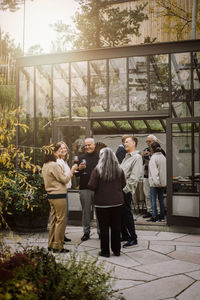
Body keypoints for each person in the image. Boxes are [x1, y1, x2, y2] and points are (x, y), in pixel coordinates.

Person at [88, 148, 126, 257]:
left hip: (102, 203)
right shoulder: (119, 169)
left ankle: (105, 251)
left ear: (102, 157)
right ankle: (117, 250)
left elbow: (91, 185)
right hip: (117, 202)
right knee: (116, 227)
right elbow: (123, 184)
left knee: (104, 228)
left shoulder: (97, 170)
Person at [42, 143, 78, 253]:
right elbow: (64, 179)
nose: (60, 153)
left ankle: (51, 244)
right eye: (58, 151)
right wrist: (72, 171)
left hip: (50, 195)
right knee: (61, 220)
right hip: (59, 195)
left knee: (54, 219)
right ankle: (58, 246)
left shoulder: (45, 165)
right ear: (53, 153)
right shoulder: (54, 165)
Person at [121, 136, 143, 248]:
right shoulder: (126, 157)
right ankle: (125, 235)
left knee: (127, 214)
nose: (125, 143)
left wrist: (125, 190)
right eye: (124, 142)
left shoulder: (137, 157)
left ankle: (133, 238)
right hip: (120, 190)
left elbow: (134, 178)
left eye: (127, 142)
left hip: (126, 191)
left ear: (134, 143)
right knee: (122, 215)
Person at [76, 138, 99, 241]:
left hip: (98, 188)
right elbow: (76, 175)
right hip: (84, 188)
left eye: (89, 145)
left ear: (94, 145)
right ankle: (86, 232)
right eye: (86, 145)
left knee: (99, 211)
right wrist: (79, 169)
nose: (87, 147)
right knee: (86, 212)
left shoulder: (100, 157)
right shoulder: (81, 157)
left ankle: (100, 232)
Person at [142, 135, 166, 218]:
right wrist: (142, 157)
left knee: (156, 196)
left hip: (156, 177)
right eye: (147, 141)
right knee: (147, 194)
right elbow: (142, 163)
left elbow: (161, 163)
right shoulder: (145, 150)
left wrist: (151, 161)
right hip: (146, 175)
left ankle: (157, 212)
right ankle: (150, 211)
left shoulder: (160, 151)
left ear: (154, 141)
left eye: (150, 141)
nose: (148, 143)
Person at [147, 141, 166, 222]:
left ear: (152, 149)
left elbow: (154, 173)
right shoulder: (163, 157)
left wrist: (157, 183)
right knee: (161, 200)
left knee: (153, 200)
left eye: (150, 148)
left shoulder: (153, 158)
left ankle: (154, 217)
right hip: (163, 183)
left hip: (155, 184)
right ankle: (162, 216)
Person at [57, 141, 72, 242]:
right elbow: (62, 178)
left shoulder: (64, 161)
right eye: (61, 148)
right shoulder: (58, 162)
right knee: (62, 216)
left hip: (65, 190)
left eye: (65, 148)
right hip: (61, 191)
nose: (63, 150)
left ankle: (62, 234)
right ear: (57, 151)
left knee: (64, 215)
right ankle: (59, 237)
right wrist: (73, 170)